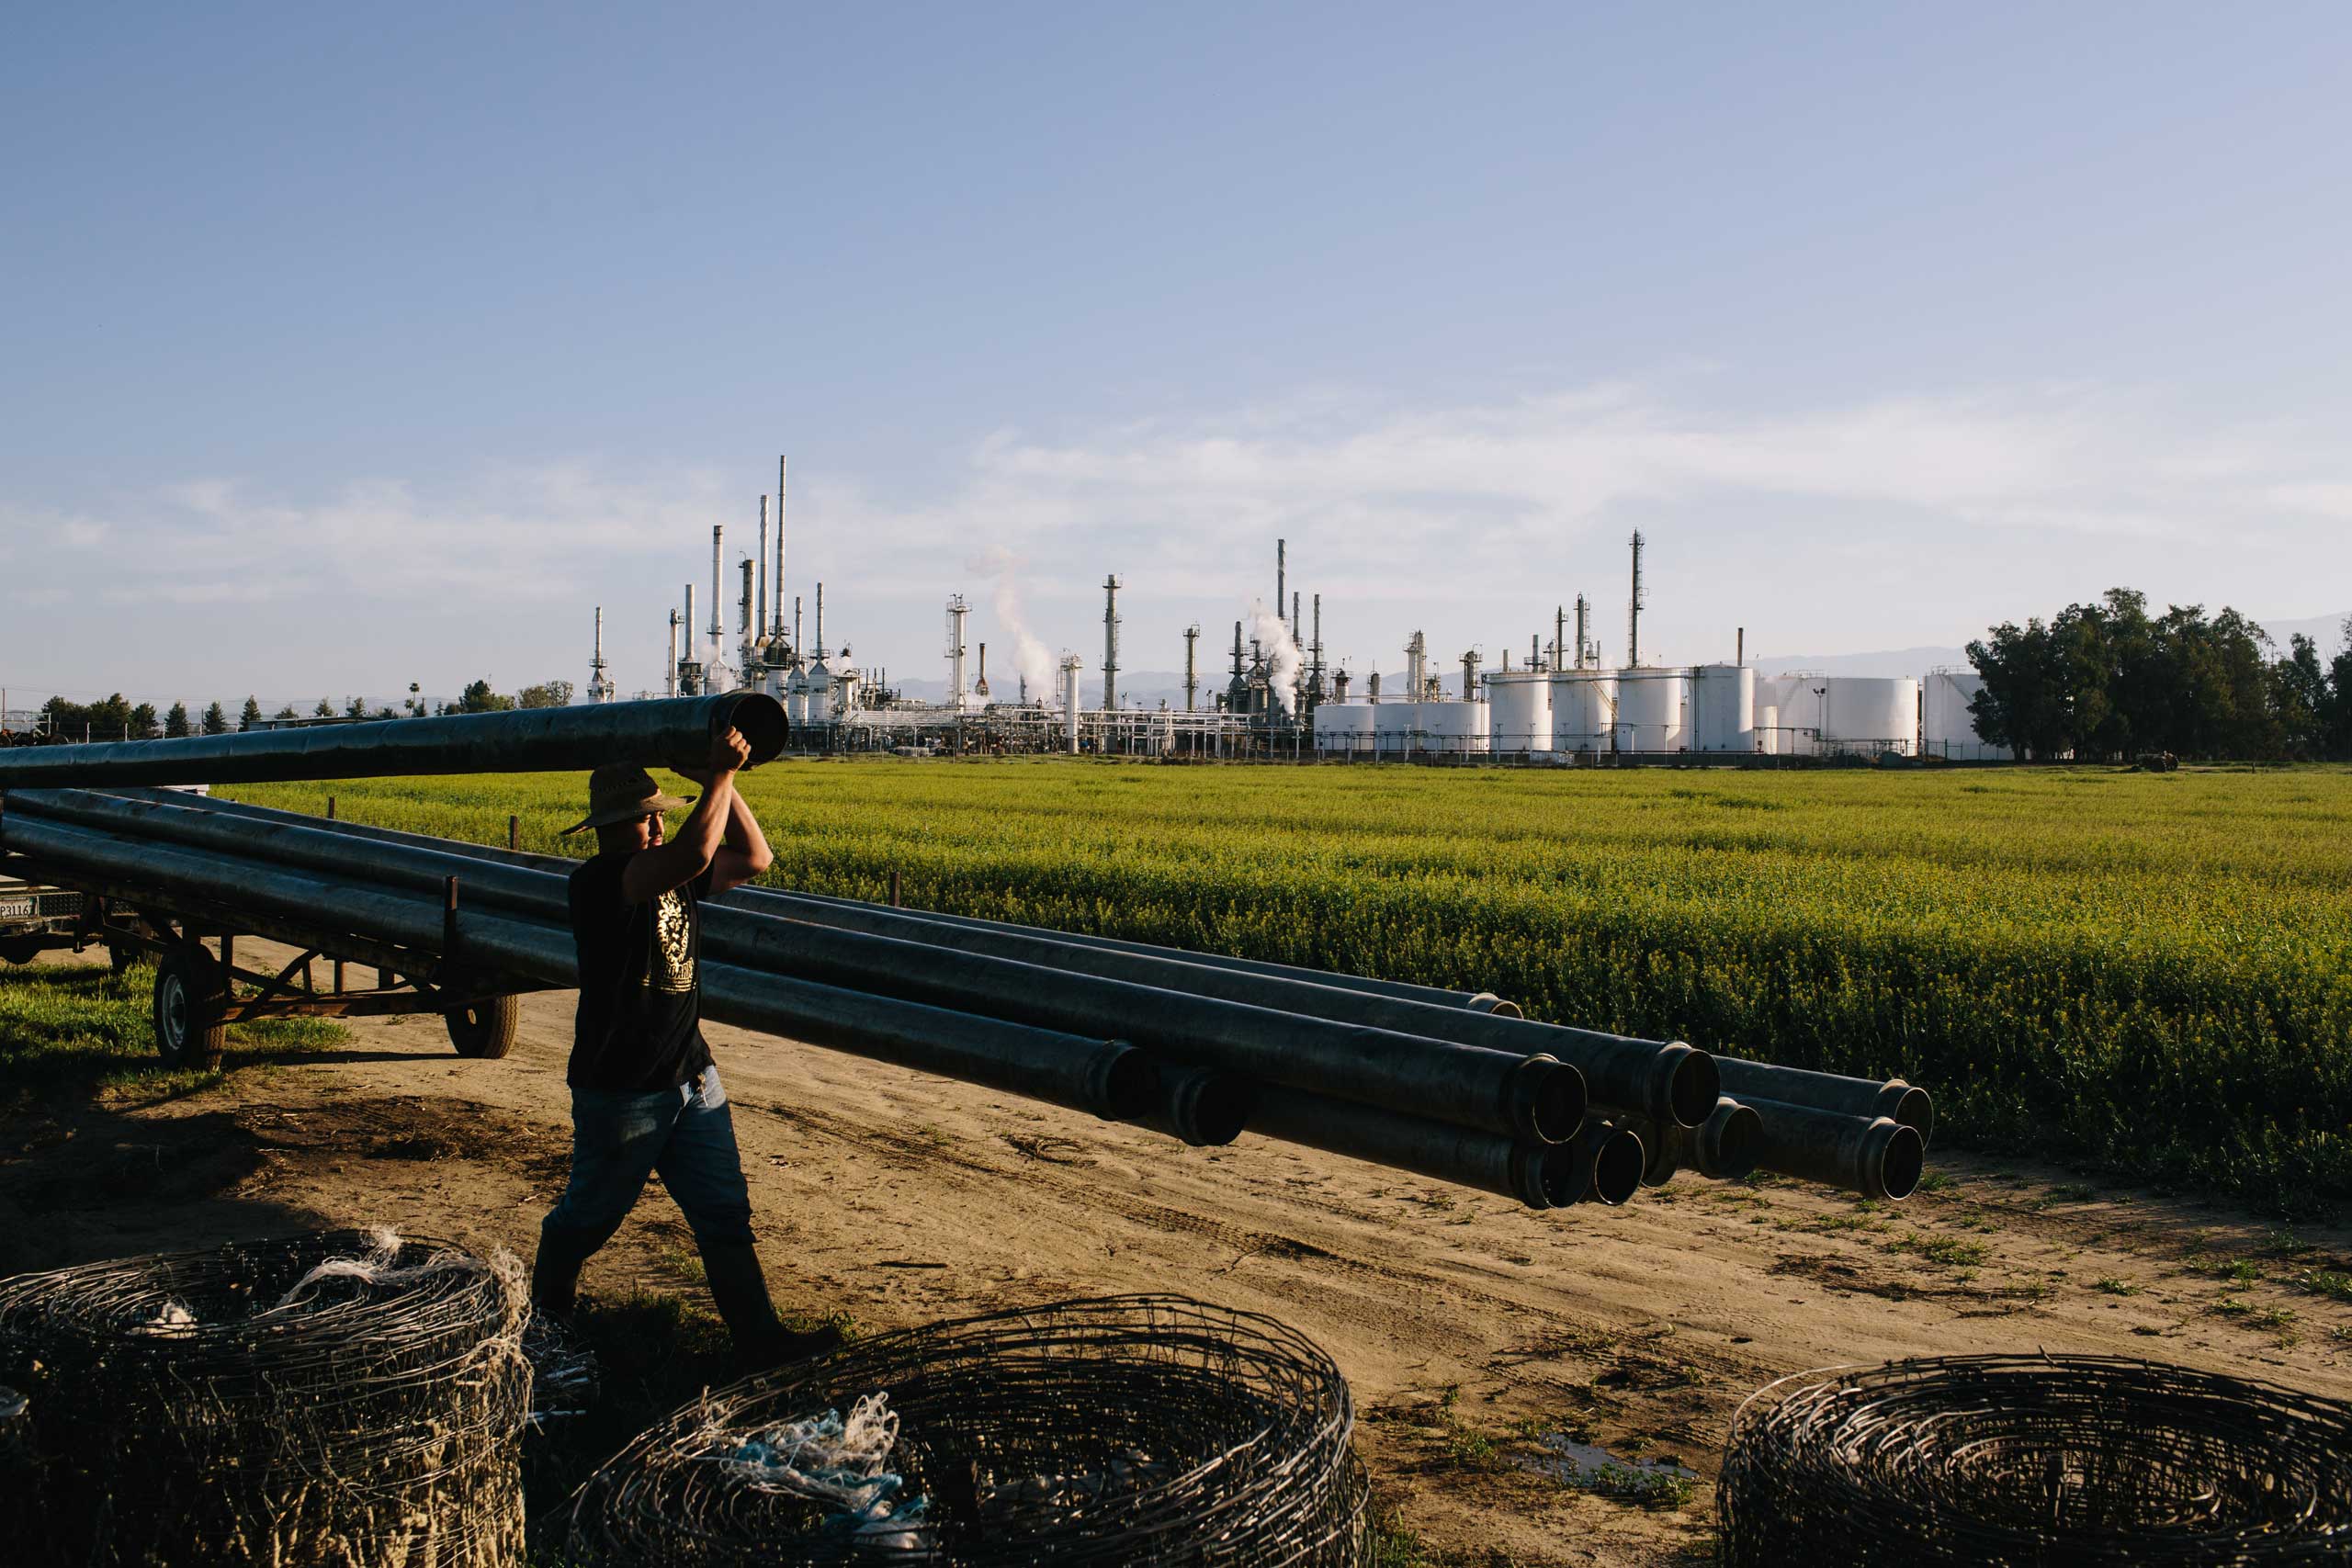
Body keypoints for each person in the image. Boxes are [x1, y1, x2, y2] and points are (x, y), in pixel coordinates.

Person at [530, 728, 831, 1366]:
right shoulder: (600, 882)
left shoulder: (672, 873)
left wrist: (721, 779)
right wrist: (718, 775)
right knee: (586, 1221)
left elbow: (755, 856)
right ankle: (544, 1327)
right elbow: (696, 850)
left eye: (660, 818)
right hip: (624, 1089)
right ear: (615, 829)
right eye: (648, 821)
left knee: (724, 1213)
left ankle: (760, 1341)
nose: (658, 828)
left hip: (692, 1078)